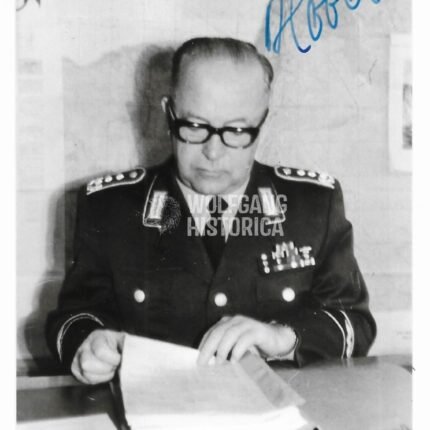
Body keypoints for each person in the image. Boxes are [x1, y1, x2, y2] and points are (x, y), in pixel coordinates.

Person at [46, 37, 376, 385]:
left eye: (237, 130)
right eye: (194, 126)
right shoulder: (110, 208)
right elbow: (73, 316)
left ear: (262, 124)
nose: (213, 152)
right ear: (168, 114)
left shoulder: (313, 206)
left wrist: (283, 337)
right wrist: (86, 344)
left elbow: (355, 324)